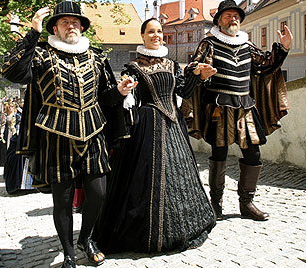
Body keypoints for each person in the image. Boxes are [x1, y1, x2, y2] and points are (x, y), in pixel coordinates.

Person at [1, 1, 136, 268]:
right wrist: (32, 34)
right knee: (61, 201)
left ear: (82, 27)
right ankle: (68, 255)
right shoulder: (40, 55)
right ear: (55, 28)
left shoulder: (96, 58)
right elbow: (10, 72)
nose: (71, 25)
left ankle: (85, 237)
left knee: (98, 194)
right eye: (65, 22)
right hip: (55, 137)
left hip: (93, 133)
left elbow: (105, 99)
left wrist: (119, 92)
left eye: (76, 22)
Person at [93, 18, 217, 254]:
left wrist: (199, 78)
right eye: (151, 32)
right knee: (145, 181)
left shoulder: (171, 64)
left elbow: (183, 91)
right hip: (148, 127)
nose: (156, 35)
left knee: (178, 176)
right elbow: (132, 101)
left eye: (159, 31)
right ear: (142, 36)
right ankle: (148, 233)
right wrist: (126, 90)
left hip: (174, 126)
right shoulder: (133, 67)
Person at [189, 0, 292, 221]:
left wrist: (283, 48)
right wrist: (200, 71)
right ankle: (215, 204)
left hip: (245, 107)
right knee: (219, 153)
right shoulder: (209, 44)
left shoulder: (247, 45)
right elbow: (193, 67)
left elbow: (266, 64)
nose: (233, 18)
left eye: (236, 15)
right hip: (219, 108)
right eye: (228, 15)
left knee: (253, 153)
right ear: (218, 20)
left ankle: (247, 203)